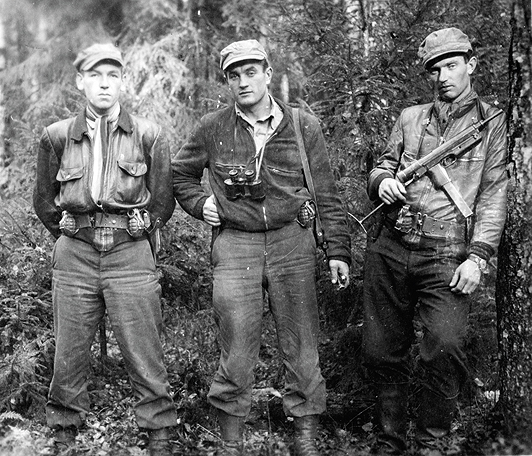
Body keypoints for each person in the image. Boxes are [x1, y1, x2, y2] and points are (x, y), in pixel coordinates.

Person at [172, 39, 351, 456]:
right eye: (234, 75)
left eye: (251, 72)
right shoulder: (212, 127)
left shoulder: (303, 125)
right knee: (235, 343)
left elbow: (326, 192)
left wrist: (338, 251)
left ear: (268, 74)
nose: (242, 81)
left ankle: (305, 432)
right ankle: (231, 437)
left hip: (293, 242)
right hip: (236, 245)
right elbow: (179, 175)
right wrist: (203, 204)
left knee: (302, 343)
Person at [362, 28, 507, 454]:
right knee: (380, 349)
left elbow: (495, 192)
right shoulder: (411, 118)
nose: (442, 76)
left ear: (471, 65)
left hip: (447, 253)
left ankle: (431, 443)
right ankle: (389, 442)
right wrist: (383, 181)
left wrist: (479, 257)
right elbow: (382, 165)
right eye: (435, 69)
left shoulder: (492, 123)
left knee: (443, 348)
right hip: (391, 245)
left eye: (451, 65)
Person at [33, 42, 177, 455]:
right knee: (70, 352)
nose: (104, 84)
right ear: (81, 82)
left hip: (130, 253)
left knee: (143, 349)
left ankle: (159, 436)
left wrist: (143, 226)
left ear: (123, 81)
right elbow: (44, 201)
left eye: (112, 75)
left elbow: (162, 199)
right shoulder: (57, 136)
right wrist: (69, 231)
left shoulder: (148, 134)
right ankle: (63, 435)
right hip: (75, 252)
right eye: (95, 75)